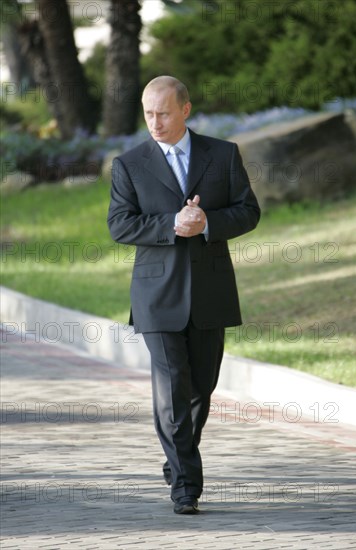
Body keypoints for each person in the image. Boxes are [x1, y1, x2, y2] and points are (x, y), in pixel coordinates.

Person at [107, 76, 261, 514]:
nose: (154, 122)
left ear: (186, 110)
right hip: (157, 295)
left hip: (210, 293)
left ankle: (176, 463)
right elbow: (120, 224)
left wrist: (207, 222)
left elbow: (248, 211)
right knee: (173, 385)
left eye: (164, 113)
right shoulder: (129, 164)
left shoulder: (223, 154)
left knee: (201, 388)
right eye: (148, 113)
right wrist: (171, 225)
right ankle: (187, 487)